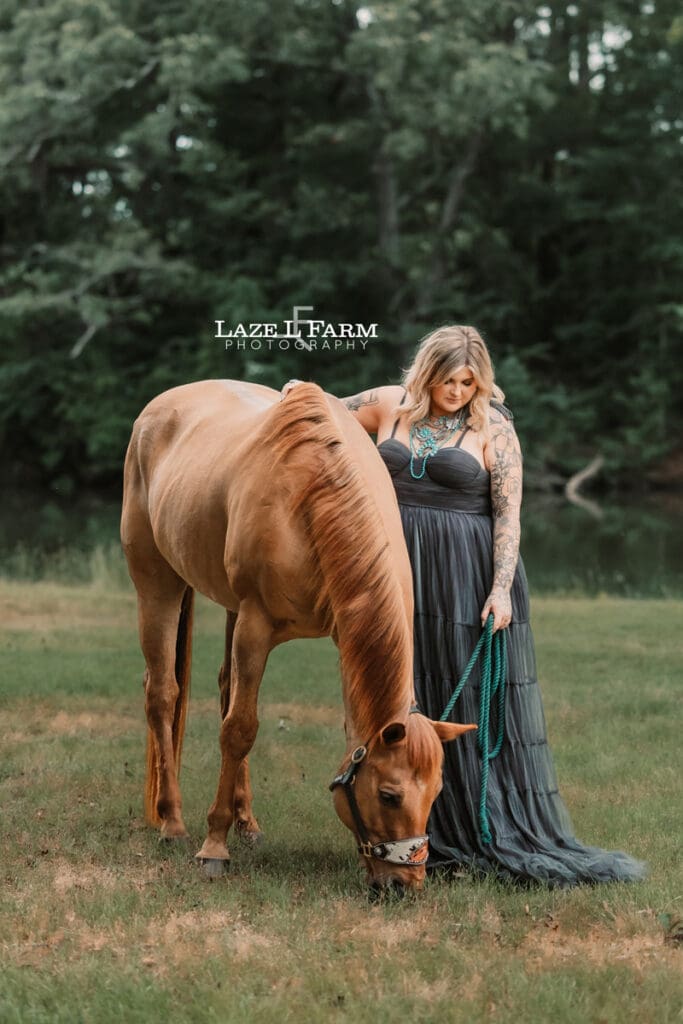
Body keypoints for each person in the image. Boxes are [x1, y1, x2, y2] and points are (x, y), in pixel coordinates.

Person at [283, 324, 645, 887]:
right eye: (448, 379)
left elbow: (508, 514)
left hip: (464, 576)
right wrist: (293, 393)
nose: (457, 390)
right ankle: (401, 818)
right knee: (403, 696)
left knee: (462, 695)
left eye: (468, 381)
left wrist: (500, 588)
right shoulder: (386, 406)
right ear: (426, 373)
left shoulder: (493, 427)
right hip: (395, 575)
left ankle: (471, 831)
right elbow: (325, 414)